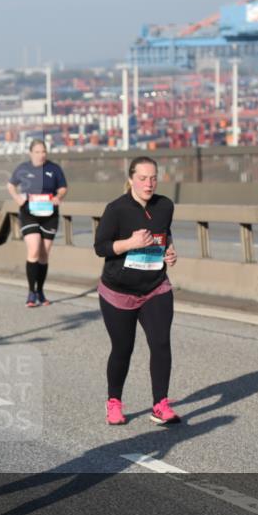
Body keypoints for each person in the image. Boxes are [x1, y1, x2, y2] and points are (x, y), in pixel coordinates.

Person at [93, 156, 179, 427]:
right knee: (122, 348)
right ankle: (114, 402)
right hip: (119, 290)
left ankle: (160, 404)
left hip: (155, 286)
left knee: (161, 343)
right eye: (142, 178)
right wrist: (129, 243)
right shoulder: (116, 209)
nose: (148, 183)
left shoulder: (165, 206)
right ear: (131, 179)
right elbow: (101, 247)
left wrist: (170, 252)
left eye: (153, 178)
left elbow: (165, 234)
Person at [7, 139, 68, 307]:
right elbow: (11, 185)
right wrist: (18, 198)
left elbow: (63, 188)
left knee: (44, 254)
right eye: (37, 152)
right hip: (29, 213)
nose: (41, 155)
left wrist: (58, 197)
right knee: (34, 250)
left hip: (49, 214)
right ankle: (31, 292)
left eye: (43, 152)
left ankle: (40, 291)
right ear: (30, 153)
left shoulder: (54, 169)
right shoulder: (23, 169)